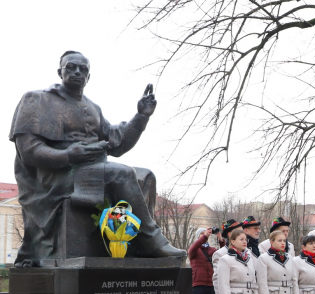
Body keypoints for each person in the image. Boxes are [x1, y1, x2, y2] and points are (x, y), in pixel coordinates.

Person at [9, 51, 185, 265]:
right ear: (60, 71)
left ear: (88, 77)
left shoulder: (92, 108)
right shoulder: (37, 99)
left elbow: (117, 144)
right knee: (121, 173)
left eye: (83, 69)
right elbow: (29, 150)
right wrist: (68, 155)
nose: (77, 72)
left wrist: (141, 117)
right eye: (71, 67)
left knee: (145, 176)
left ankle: (129, 243)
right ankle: (151, 241)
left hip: (92, 171)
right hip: (54, 177)